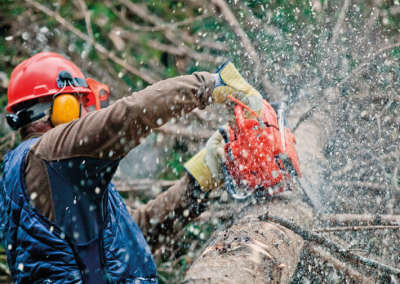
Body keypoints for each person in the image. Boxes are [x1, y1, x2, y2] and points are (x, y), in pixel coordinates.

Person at [0, 52, 263, 284]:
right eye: (80, 104)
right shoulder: (50, 153)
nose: (86, 114)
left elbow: (129, 238)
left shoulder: (46, 172)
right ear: (61, 108)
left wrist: (198, 182)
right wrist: (210, 85)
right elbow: (127, 116)